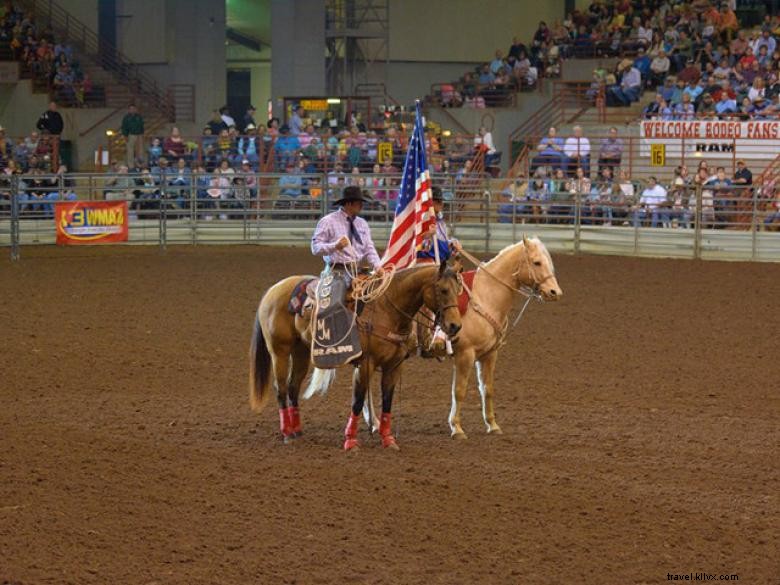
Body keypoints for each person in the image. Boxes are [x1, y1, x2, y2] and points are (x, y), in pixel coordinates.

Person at [311, 185, 383, 279]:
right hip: (336, 272)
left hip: (357, 271)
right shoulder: (328, 221)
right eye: (359, 203)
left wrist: (377, 266)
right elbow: (315, 248)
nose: (362, 206)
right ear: (349, 204)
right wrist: (335, 246)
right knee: (338, 292)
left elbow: (369, 249)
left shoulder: (362, 224)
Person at [416, 186, 461, 264]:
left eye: (441, 201)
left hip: (440, 261)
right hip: (426, 262)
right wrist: (428, 235)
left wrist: (452, 243)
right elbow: (417, 245)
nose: (441, 204)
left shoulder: (440, 221)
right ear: (430, 202)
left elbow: (443, 241)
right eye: (438, 201)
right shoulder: (423, 220)